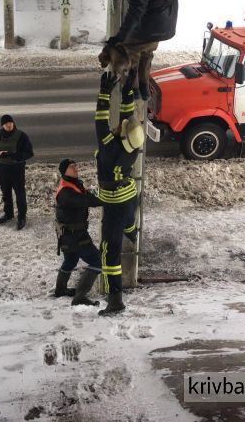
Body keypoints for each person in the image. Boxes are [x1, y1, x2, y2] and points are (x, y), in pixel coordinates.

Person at [95, 71, 144, 315]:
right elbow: (128, 117)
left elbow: (100, 121)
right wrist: (128, 91)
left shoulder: (109, 149)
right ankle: (132, 232)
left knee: (108, 250)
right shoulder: (131, 146)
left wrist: (105, 93)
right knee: (128, 222)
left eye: (120, 128)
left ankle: (115, 300)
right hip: (128, 196)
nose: (118, 125)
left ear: (121, 135)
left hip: (114, 202)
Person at [54, 159, 103, 306]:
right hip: (74, 235)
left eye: (76, 166)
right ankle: (80, 296)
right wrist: (108, 201)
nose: (76, 168)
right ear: (64, 171)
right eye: (71, 167)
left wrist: (102, 198)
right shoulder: (65, 191)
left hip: (70, 234)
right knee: (97, 261)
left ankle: (60, 290)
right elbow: (84, 200)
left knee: (71, 260)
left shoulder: (74, 184)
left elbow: (88, 198)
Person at [0, 114, 33, 230]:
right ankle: (8, 214)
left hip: (17, 169)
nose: (9, 125)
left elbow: (29, 153)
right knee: (6, 193)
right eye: (7, 123)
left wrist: (14, 156)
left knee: (20, 194)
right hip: (2, 169)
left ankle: (22, 217)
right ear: (3, 125)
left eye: (11, 123)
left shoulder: (22, 136)